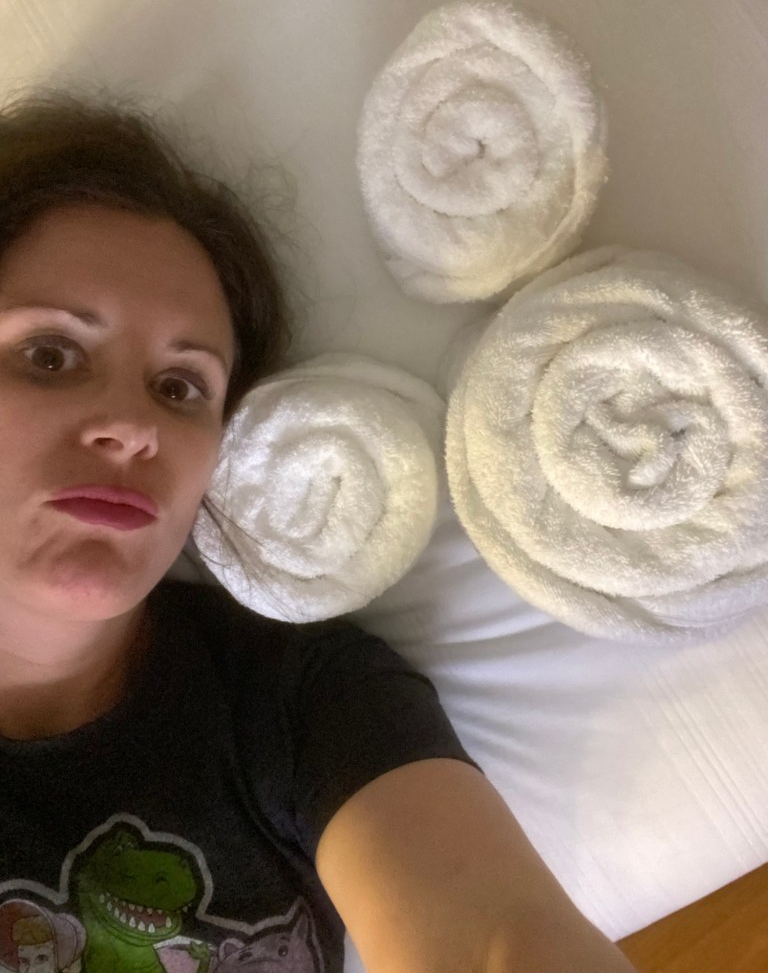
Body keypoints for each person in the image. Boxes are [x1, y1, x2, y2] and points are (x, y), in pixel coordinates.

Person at [0, 88, 639, 973]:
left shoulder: (304, 704)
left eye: (181, 388)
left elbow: (499, 940)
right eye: (51, 355)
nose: (135, 426)